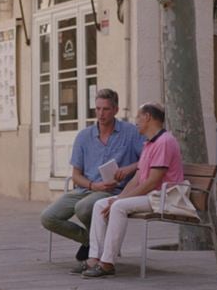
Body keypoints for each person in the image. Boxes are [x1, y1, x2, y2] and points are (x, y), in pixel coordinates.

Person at [40, 89, 144, 274]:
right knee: (48, 217)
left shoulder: (131, 132)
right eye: (97, 109)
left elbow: (147, 159)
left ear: (115, 109)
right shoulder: (84, 136)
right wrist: (92, 185)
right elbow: (76, 174)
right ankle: (91, 242)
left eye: (105, 109)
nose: (101, 114)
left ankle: (95, 251)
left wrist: (129, 168)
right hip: (87, 188)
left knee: (83, 207)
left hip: (114, 191)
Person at [81, 101, 184, 278]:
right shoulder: (149, 144)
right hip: (151, 196)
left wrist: (119, 201)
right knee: (100, 204)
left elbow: (152, 182)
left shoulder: (165, 142)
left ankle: (107, 263)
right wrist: (119, 196)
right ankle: (94, 259)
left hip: (163, 197)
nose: (135, 121)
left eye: (138, 116)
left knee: (119, 207)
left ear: (148, 117)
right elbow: (137, 178)